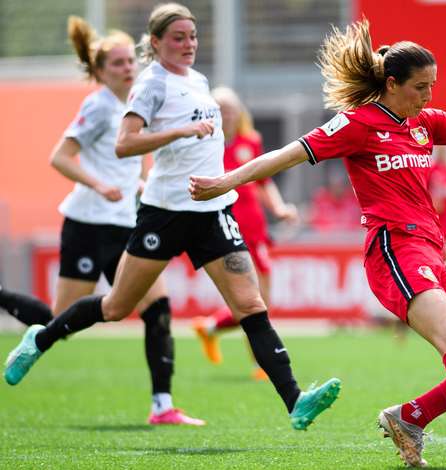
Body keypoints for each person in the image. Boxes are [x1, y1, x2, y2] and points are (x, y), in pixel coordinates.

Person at [188, 18, 446, 466]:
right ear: (392, 84)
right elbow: (285, 154)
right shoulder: (357, 124)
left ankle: (410, 417)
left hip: (432, 253)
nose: (428, 96)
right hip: (393, 250)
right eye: (420, 87)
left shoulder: (426, 122)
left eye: (432, 86)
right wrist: (225, 182)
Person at [4, 3, 340, 432]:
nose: (189, 45)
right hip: (164, 213)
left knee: (251, 305)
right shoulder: (151, 86)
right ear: (157, 42)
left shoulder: (199, 82)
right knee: (116, 306)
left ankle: (295, 400)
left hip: (213, 210)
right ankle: (41, 337)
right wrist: (178, 132)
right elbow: (125, 144)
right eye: (178, 38)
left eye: (193, 37)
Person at [0, 15, 203, 426]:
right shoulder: (97, 106)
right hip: (89, 223)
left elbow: (129, 161)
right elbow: (60, 157)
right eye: (117, 63)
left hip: (128, 222)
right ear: (99, 71)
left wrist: (142, 183)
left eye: (130, 60)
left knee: (157, 308)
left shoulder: (141, 101)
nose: (128, 68)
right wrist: (99, 186)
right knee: (60, 321)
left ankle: (162, 405)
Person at [191, 86, 298, 380]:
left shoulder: (250, 142)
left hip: (255, 226)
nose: (227, 114)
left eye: (231, 108)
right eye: (221, 108)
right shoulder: (204, 144)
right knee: (255, 299)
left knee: (259, 298)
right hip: (229, 227)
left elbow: (263, 180)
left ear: (239, 113)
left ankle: (212, 327)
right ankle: (258, 362)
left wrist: (278, 208)